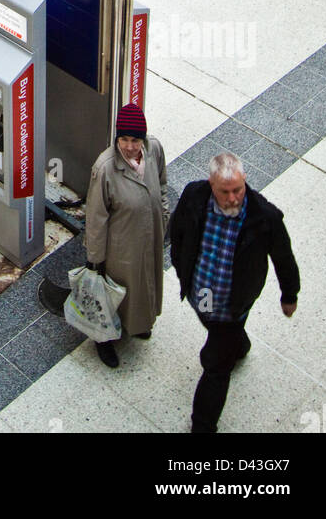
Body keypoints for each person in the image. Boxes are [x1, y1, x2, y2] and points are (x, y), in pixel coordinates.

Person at [169, 150, 299, 435]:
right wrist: (181, 267)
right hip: (200, 294)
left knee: (215, 365)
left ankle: (203, 426)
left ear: (245, 182)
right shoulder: (194, 196)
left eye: (237, 189)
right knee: (218, 331)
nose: (232, 198)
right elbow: (177, 231)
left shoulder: (265, 217)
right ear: (211, 184)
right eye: (224, 191)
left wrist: (290, 294)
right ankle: (238, 345)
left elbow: (284, 257)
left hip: (233, 303)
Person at [75, 104, 168, 368]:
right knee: (113, 293)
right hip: (120, 248)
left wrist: (163, 216)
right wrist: (95, 259)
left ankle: (137, 324)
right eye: (124, 139)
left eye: (135, 140)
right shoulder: (105, 168)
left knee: (142, 286)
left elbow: (162, 184)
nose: (129, 146)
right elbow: (96, 218)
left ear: (144, 139)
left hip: (149, 238)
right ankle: (103, 340)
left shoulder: (155, 150)